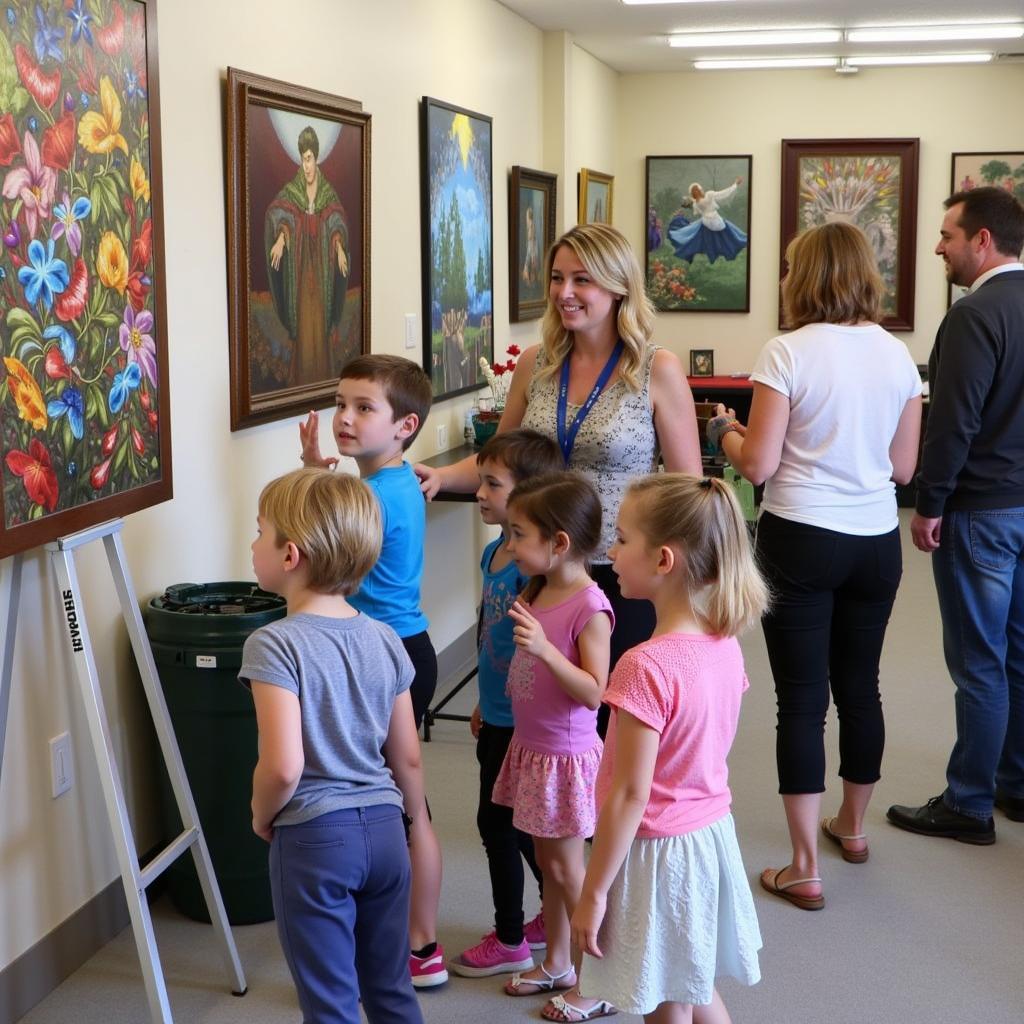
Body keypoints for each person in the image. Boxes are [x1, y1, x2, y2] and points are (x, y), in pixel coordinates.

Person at [708, 221, 922, 910]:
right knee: (860, 686)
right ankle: (852, 829)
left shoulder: (787, 352)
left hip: (800, 535)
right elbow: (904, 468)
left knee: (801, 699)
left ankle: (804, 865)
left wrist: (724, 431)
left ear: (803, 275)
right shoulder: (898, 356)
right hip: (874, 541)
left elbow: (760, 465)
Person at [416, 222, 701, 687]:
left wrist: (685, 596)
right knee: (533, 703)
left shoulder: (656, 370)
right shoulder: (538, 363)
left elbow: (687, 491)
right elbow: (500, 459)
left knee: (608, 708)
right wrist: (441, 477)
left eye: (581, 279)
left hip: (619, 570)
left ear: (618, 287)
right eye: (556, 277)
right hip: (538, 564)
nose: (563, 292)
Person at [569, 474, 766, 1024]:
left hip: (658, 852)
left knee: (666, 998)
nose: (611, 551)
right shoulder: (723, 644)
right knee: (692, 984)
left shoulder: (645, 665)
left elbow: (631, 796)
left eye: (623, 539)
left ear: (663, 560)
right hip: (707, 838)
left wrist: (594, 891)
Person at [241, 468, 425, 1024]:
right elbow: (408, 755)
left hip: (317, 839)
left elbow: (283, 766)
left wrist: (260, 813)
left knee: (331, 1003)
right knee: (391, 989)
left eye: (259, 532)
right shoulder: (385, 637)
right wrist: (411, 822)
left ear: (290, 554)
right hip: (389, 832)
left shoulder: (273, 643)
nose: (253, 544)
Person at [298, 354, 447, 985]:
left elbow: (312, 560)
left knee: (400, 807)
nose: (345, 419)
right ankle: (417, 942)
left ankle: (417, 946)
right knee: (407, 803)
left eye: (365, 408)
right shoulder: (403, 481)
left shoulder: (368, 494)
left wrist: (311, 480)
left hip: (378, 661)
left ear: (405, 424)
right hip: (404, 650)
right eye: (340, 404)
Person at [887, 187, 1024, 844]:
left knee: (979, 662)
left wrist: (929, 504)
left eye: (946, 236)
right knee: (1018, 655)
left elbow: (954, 423)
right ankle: (1016, 785)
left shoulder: (974, 315)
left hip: (982, 512)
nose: (939, 247)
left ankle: (968, 802)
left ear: (982, 241)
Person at [488, 472, 614, 1021]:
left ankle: (602, 979)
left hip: (564, 757)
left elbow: (594, 692)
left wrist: (544, 650)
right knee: (546, 861)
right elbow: (525, 669)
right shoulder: (537, 586)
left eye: (519, 535)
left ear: (559, 543)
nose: (509, 545)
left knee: (569, 873)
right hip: (533, 749)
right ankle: (559, 962)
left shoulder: (589, 605)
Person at [449, 429, 564, 979]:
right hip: (495, 715)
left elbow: (539, 654)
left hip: (523, 725)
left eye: (492, 484)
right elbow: (487, 637)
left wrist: (517, 715)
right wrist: (480, 701)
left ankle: (513, 937)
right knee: (517, 828)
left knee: (499, 825)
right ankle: (551, 915)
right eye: (481, 481)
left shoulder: (531, 570)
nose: (480, 493)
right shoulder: (496, 552)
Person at [266, 124, 351, 386]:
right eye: (303, 159)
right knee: (304, 325)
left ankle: (324, 378)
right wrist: (281, 239)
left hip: (322, 270)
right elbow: (281, 213)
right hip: (301, 269)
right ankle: (302, 379)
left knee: (320, 325)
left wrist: (338, 249)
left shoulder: (327, 190)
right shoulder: (293, 189)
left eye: (309, 159)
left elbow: (337, 221)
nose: (306, 165)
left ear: (316, 157)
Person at [667, 179, 747, 265]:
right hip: (707, 222)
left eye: (697, 189)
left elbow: (723, 194)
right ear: (693, 193)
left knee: (727, 234)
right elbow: (698, 209)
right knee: (702, 238)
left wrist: (734, 185)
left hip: (715, 220)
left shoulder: (707, 196)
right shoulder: (696, 202)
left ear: (700, 189)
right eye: (695, 191)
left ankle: (729, 248)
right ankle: (713, 255)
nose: (697, 191)